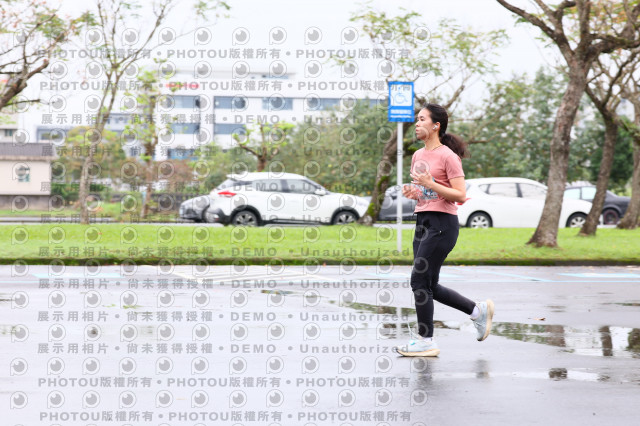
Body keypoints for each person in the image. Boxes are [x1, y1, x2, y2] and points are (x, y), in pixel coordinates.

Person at [394, 103, 494, 357]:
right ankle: (477, 311)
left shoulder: (449, 156)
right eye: (417, 119)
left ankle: (426, 340)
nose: (417, 124)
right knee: (430, 284)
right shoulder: (418, 155)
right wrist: (414, 192)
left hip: (442, 224)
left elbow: (459, 195)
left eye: (422, 119)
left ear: (436, 126)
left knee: (419, 280)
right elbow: (426, 192)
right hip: (422, 221)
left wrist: (431, 184)